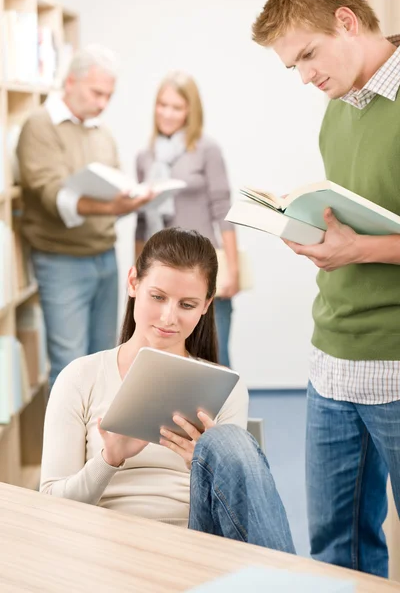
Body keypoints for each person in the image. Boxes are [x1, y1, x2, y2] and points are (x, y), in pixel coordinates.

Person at [252, 0, 400, 578]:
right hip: (332, 362)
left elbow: (367, 240)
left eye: (309, 55)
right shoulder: (338, 107)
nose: (306, 76)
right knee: (334, 550)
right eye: (294, 66)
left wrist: (357, 250)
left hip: (395, 359)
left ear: (347, 20)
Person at [40, 227, 294, 553]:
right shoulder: (80, 377)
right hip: (104, 540)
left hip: (193, 541)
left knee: (231, 444)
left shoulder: (225, 387)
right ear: (133, 283)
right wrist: (109, 459)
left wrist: (206, 464)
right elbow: (48, 504)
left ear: (206, 306)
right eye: (157, 297)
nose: (168, 317)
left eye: (187, 305)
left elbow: (238, 510)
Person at [17, 45, 152, 389]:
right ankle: (68, 445)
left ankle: (97, 444)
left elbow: (115, 182)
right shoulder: (39, 126)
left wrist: (132, 198)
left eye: (109, 95)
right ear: (71, 82)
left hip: (104, 258)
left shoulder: (99, 130)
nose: (103, 103)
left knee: (104, 362)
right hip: (61, 260)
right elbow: (52, 195)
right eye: (96, 93)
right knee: (69, 367)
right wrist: (111, 207)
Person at [135, 71, 239, 368]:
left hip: (200, 266)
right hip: (161, 273)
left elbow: (223, 209)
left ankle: (223, 415)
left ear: (191, 111)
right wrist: (140, 275)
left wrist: (232, 269)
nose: (167, 113)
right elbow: (142, 222)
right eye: (162, 105)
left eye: (176, 107)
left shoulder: (207, 150)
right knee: (162, 359)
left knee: (213, 358)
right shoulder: (146, 156)